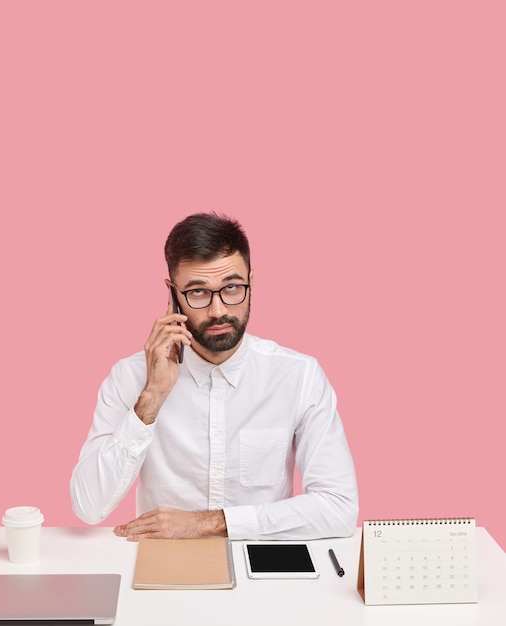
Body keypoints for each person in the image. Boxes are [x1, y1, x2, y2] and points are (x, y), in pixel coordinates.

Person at [71, 213, 358, 541]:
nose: (218, 310)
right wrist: (150, 398)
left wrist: (210, 523)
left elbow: (339, 507)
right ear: (172, 294)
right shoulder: (130, 377)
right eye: (197, 292)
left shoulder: (298, 375)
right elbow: (88, 506)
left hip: (262, 565)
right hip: (165, 568)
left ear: (251, 280)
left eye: (232, 287)